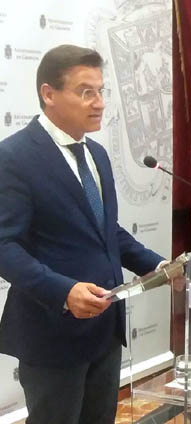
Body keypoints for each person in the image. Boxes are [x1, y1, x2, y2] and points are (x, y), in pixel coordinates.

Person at [0, 45, 165, 424]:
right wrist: (64, 292)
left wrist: (160, 266)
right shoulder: (14, 157)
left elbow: (107, 233)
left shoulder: (97, 155)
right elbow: (4, 246)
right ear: (49, 94)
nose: (99, 103)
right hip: (52, 334)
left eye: (101, 91)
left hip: (105, 329)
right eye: (85, 92)